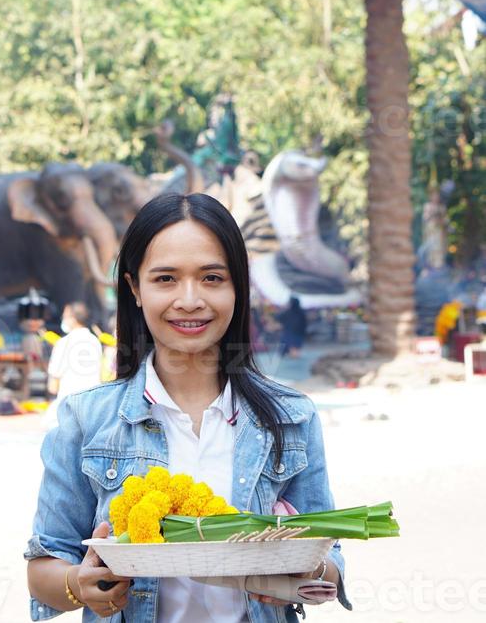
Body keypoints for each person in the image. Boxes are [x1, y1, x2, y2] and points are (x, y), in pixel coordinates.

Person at [25, 194, 351, 622]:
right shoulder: (85, 420)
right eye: (166, 279)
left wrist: (303, 567)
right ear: (135, 289)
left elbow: (331, 559)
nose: (190, 300)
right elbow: (44, 565)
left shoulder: (292, 417)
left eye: (212, 278)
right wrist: (80, 585)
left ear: (238, 286)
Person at [47, 302, 103, 403]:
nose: (63, 319)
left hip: (69, 401)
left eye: (64, 316)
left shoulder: (64, 342)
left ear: (72, 318)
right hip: (92, 401)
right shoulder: (95, 341)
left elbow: (53, 383)